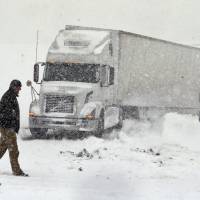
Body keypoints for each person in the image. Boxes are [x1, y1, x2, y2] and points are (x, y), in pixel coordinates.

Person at [0, 80, 28, 176]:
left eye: (20, 87)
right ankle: (16, 171)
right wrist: (12, 124)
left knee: (2, 147)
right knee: (14, 150)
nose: (20, 89)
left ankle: (16, 170)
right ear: (13, 87)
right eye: (18, 87)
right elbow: (6, 114)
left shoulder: (11, 96)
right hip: (7, 128)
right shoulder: (8, 97)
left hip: (6, 128)